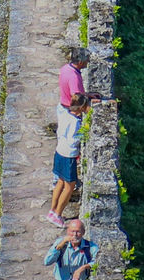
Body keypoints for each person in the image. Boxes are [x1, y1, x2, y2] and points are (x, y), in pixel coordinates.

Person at [47, 91, 90, 224]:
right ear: (82, 108)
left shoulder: (64, 114)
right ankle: (58, 215)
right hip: (68, 155)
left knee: (60, 181)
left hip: (59, 151)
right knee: (69, 186)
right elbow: (73, 140)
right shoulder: (76, 122)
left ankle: (52, 210)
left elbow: (60, 132)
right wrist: (82, 138)